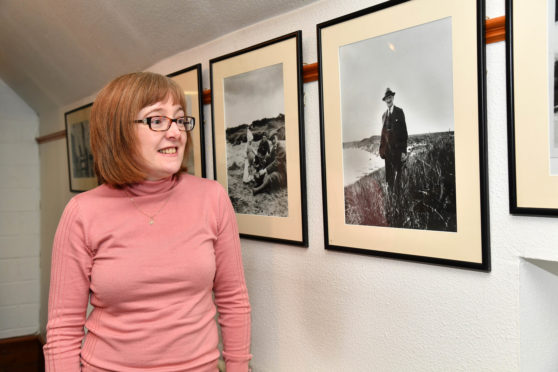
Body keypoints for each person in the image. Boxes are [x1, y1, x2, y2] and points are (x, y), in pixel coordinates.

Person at [43, 72, 251, 372]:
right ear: (118, 132)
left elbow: (233, 300)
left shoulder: (212, 199)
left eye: (180, 120)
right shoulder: (81, 213)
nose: (176, 132)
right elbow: (63, 329)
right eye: (156, 120)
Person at [379, 87, 408, 195]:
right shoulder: (383, 116)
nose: (388, 100)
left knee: (398, 182)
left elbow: (404, 133)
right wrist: (381, 150)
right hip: (388, 154)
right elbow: (382, 134)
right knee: (389, 181)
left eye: (390, 97)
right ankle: (392, 206)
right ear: (385, 100)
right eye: (387, 98)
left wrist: (404, 151)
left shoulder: (399, 112)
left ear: (393, 98)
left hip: (398, 153)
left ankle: (400, 206)